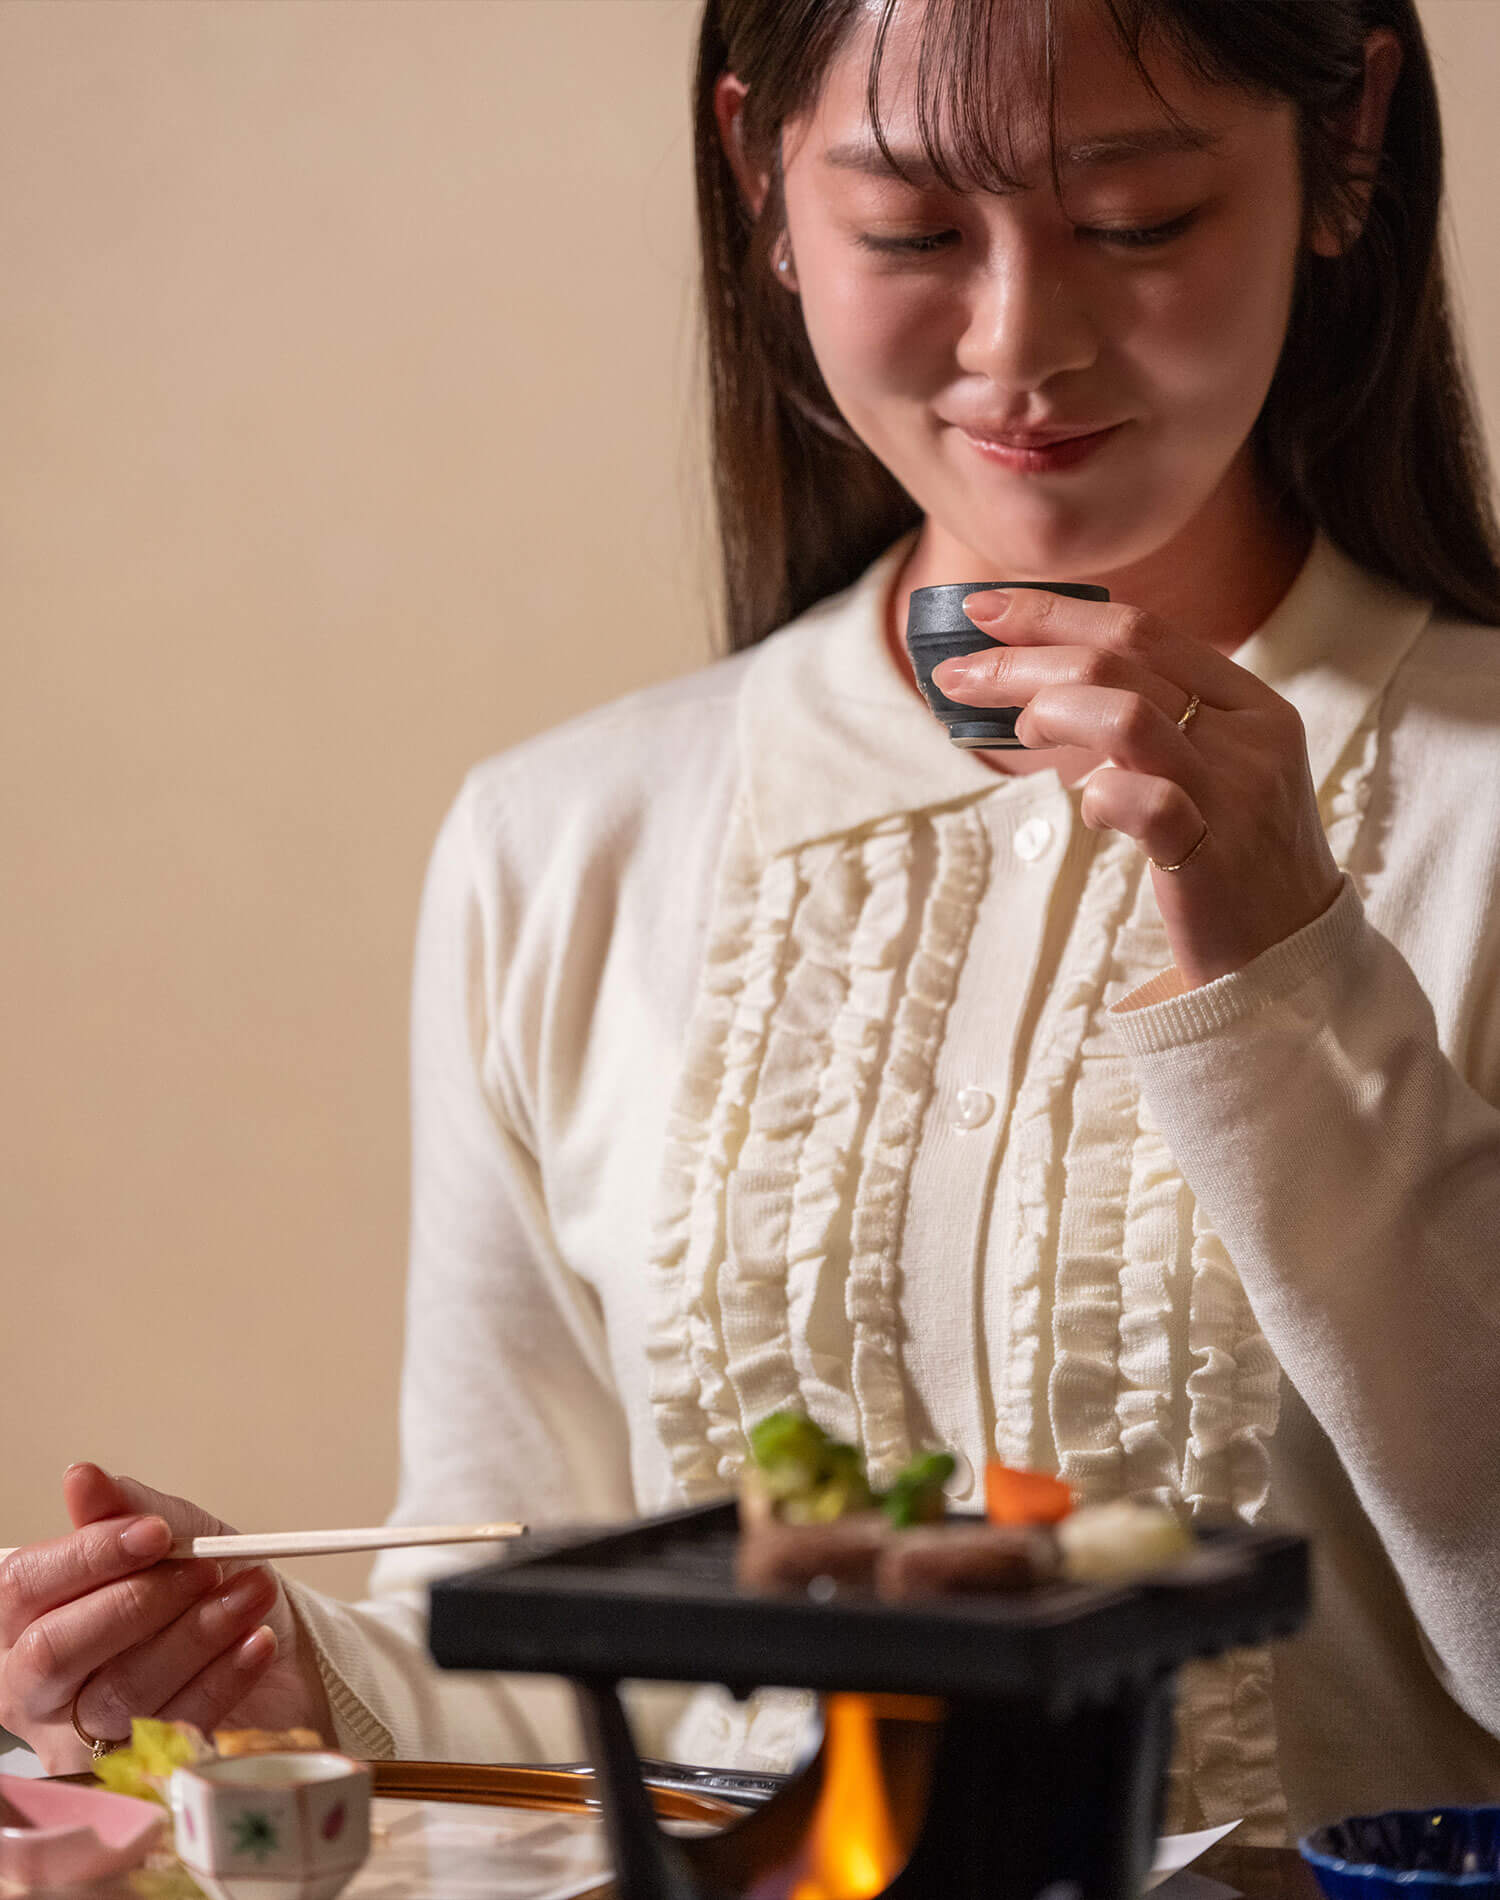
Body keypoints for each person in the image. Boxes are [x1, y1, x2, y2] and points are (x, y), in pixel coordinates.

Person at [3, 0, 1499, 1845]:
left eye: (1136, 220)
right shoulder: (564, 842)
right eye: (913, 233)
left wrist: (1291, 977)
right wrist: (285, 1674)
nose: (1022, 340)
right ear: (760, 181)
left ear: (1346, 143)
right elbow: (538, 1632)